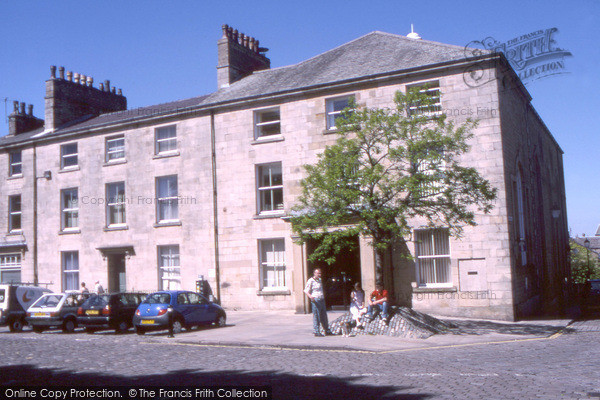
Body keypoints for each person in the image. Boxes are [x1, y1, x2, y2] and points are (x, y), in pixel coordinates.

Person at [304, 268, 331, 337]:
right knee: (317, 316)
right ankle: (316, 331)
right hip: (315, 300)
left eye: (320, 273)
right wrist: (311, 297)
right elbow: (306, 290)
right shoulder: (311, 281)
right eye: (318, 273)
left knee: (324, 316)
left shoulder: (320, 280)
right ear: (314, 273)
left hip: (321, 299)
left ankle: (327, 330)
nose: (319, 275)